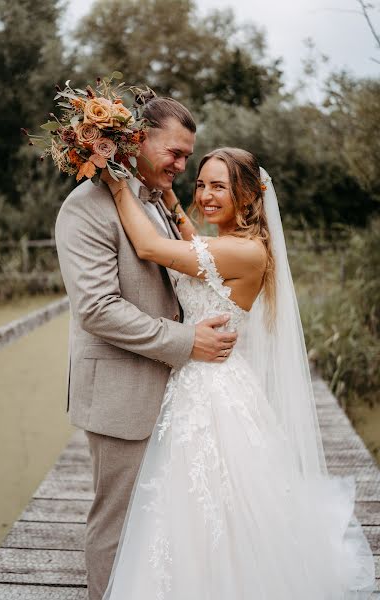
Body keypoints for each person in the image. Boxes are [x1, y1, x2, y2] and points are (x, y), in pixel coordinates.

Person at [100, 147, 375, 599]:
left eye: (219, 187)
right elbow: (198, 250)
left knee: (212, 502)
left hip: (212, 390)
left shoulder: (244, 253)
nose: (205, 195)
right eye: (202, 184)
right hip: (197, 377)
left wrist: (115, 182)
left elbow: (151, 247)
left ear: (247, 196)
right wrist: (170, 201)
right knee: (189, 504)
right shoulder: (232, 244)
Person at [54, 98, 238, 600]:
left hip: (173, 390)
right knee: (116, 522)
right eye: (175, 153)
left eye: (187, 157)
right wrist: (187, 341)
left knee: (159, 519)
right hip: (121, 392)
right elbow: (97, 308)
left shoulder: (154, 199)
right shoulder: (86, 206)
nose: (182, 166)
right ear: (138, 140)